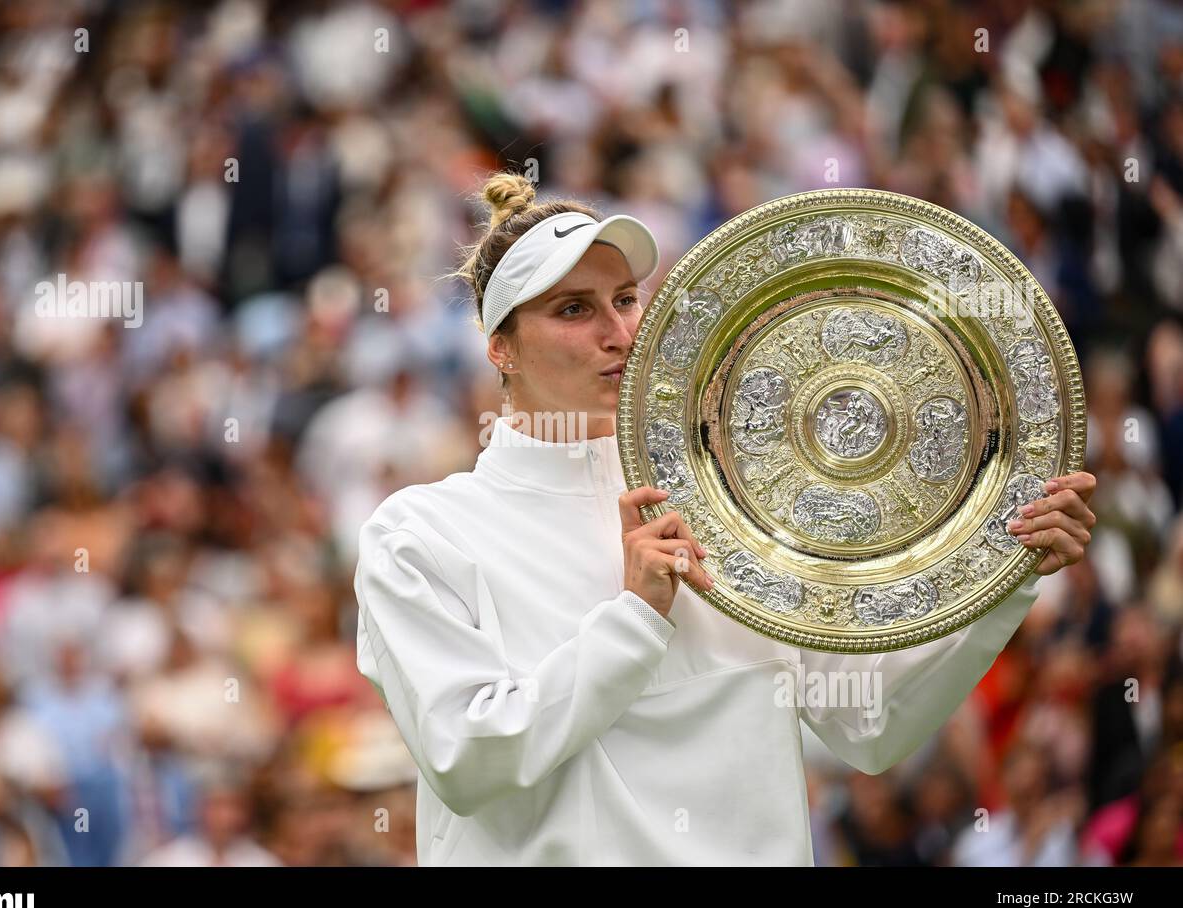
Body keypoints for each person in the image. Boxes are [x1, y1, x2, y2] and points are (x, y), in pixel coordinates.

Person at [352, 172, 1098, 866]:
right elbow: (468, 758)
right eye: (573, 309)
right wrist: (637, 615)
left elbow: (869, 726)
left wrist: (1006, 574)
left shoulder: (736, 500)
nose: (618, 331)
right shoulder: (420, 533)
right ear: (499, 348)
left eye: (625, 298)